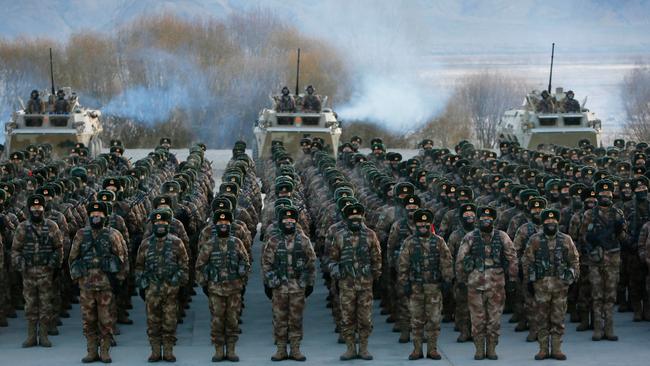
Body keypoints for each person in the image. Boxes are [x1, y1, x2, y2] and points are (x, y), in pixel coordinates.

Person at [455, 206, 517, 360]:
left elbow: (512, 258)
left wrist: (512, 279)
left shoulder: (502, 237)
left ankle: (491, 348)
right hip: (475, 285)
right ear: (478, 220)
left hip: (496, 284)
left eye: (489, 219)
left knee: (494, 319)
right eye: (482, 219)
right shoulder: (470, 237)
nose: (486, 221)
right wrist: (462, 280)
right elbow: (460, 260)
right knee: (477, 319)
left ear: (493, 220)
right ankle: (479, 349)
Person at [69, 201, 127, 363]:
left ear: (105, 216)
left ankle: (105, 350)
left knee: (106, 319)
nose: (96, 217)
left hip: (105, 285)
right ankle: (91, 350)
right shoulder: (81, 234)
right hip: (86, 286)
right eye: (93, 215)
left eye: (99, 215)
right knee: (88, 319)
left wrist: (118, 282)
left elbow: (122, 258)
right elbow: (73, 258)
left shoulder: (113, 234)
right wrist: (76, 279)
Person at [522, 209, 579, 360]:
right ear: (543, 223)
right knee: (541, 319)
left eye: (553, 221)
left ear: (557, 222)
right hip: (541, 286)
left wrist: (573, 278)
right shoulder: (534, 240)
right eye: (547, 221)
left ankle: (556, 349)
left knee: (558, 319)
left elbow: (574, 260)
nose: (550, 223)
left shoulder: (566, 239)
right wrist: (529, 281)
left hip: (560, 286)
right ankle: (542, 349)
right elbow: (527, 261)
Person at [397, 209, 453, 360]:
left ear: (430, 224)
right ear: (416, 224)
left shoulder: (439, 241)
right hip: (415, 287)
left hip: (434, 287)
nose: (423, 225)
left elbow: (446, 262)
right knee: (416, 319)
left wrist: (447, 280)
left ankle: (432, 349)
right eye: (420, 223)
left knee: (434, 320)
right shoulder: (409, 242)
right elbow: (403, 264)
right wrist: (404, 283)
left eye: (425, 222)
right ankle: (417, 350)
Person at [262, 206, 316, 361]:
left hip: (297, 287)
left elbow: (311, 263)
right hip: (279, 287)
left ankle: (295, 349)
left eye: (291, 220)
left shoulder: (303, 240)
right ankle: (280, 349)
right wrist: (270, 283)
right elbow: (266, 263)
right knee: (279, 319)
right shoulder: (273, 241)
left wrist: (309, 284)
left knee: (296, 319)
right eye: (285, 220)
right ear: (281, 222)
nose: (288, 222)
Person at [328, 203, 382, 361]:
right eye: (352, 218)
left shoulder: (370, 235)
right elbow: (331, 260)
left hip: (365, 285)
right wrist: (337, 274)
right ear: (347, 219)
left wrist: (375, 277)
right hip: (347, 285)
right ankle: (350, 348)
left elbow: (377, 259)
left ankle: (364, 348)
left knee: (365, 318)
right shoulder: (339, 236)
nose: (355, 221)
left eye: (358, 218)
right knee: (347, 318)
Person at [196, 209, 250, 362]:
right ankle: (219, 350)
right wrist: (205, 284)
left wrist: (242, 280)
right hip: (215, 290)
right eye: (220, 223)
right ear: (215, 225)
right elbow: (200, 266)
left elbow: (245, 263)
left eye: (226, 223)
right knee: (217, 321)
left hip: (234, 289)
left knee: (232, 320)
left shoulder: (237, 243)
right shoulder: (209, 244)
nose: (223, 225)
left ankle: (231, 350)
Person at [135, 209, 189, 362]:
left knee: (170, 321)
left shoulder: (176, 242)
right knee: (153, 322)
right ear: (153, 225)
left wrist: (177, 282)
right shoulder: (146, 244)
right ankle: (155, 351)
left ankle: (168, 351)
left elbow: (184, 265)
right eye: (157, 223)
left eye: (163, 223)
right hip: (152, 290)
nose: (160, 225)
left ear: (168, 224)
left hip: (170, 290)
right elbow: (139, 266)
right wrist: (142, 284)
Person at [11, 194, 63, 348]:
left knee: (46, 304)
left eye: (39, 207)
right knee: (30, 305)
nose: (36, 210)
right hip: (28, 273)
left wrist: (54, 265)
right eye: (33, 207)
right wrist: (20, 265)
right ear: (29, 209)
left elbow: (58, 248)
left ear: (43, 208)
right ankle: (31, 336)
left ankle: (44, 335)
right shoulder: (22, 227)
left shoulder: (52, 226)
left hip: (46, 272)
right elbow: (15, 250)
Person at [580, 179, 627, 341]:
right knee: (597, 294)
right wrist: (592, 240)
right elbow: (583, 237)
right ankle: (598, 329)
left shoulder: (618, 213)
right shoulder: (589, 214)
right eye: (602, 193)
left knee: (610, 296)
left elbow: (623, 238)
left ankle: (609, 329)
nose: (605, 196)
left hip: (613, 259)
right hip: (596, 259)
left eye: (608, 193)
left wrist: (620, 229)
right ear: (597, 195)